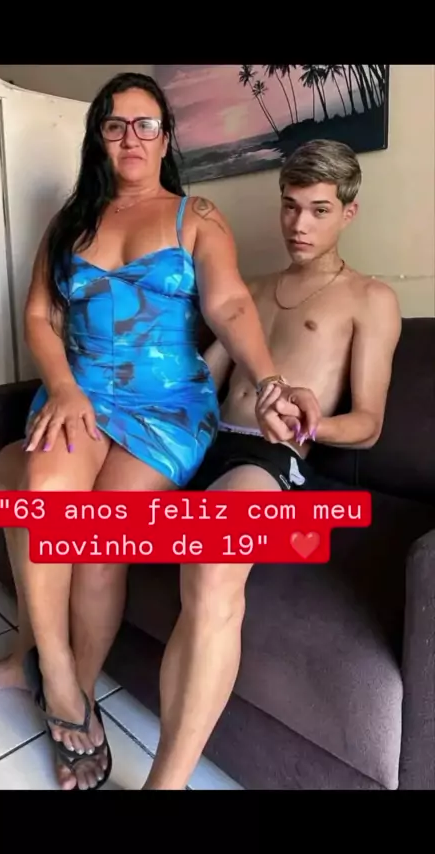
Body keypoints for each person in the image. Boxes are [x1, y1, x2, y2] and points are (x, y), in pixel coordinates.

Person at [0, 73, 319, 791]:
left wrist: (270, 380)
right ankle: (61, 686)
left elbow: (230, 306)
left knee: (100, 537)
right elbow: (39, 317)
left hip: (167, 406)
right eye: (115, 124)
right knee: (42, 487)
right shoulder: (70, 223)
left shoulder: (195, 217)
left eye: (145, 124)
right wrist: (63, 387)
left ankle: (73, 684)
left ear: (165, 137)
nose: (131, 137)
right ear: (98, 137)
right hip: (81, 395)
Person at [168, 137, 401, 792]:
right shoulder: (249, 292)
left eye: (319, 210)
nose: (299, 224)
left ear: (349, 212)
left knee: (211, 561)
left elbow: (370, 425)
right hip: (203, 442)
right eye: (290, 206)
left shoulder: (369, 298)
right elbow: (200, 383)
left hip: (267, 453)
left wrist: (311, 423)